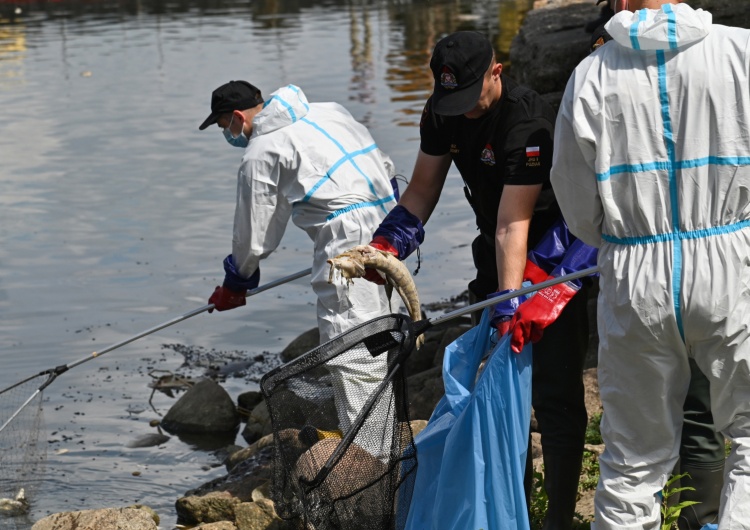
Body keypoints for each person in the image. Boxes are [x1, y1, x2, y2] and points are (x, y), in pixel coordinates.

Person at [365, 31, 593, 530]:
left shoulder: (526, 122)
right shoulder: (443, 109)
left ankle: (556, 518)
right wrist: (387, 246)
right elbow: (422, 187)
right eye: (453, 99)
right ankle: (505, 508)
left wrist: (510, 304)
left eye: (472, 97)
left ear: (496, 71)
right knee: (491, 394)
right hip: (498, 257)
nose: (464, 111)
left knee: (553, 394)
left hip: (553, 262)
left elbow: (516, 222)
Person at [551, 0, 750, 528]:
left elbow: (575, 203)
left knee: (632, 462)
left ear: (619, 3)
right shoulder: (741, 52)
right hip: (732, 263)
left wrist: (626, 239)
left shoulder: (591, 73)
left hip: (636, 276)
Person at [198, 80, 399, 441]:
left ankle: (373, 457)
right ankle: (392, 430)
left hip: (346, 238)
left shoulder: (260, 152)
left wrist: (236, 283)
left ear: (238, 117)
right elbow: (382, 161)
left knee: (350, 345)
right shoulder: (328, 109)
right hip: (391, 225)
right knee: (386, 332)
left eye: (222, 125)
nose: (226, 134)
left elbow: (254, 236)